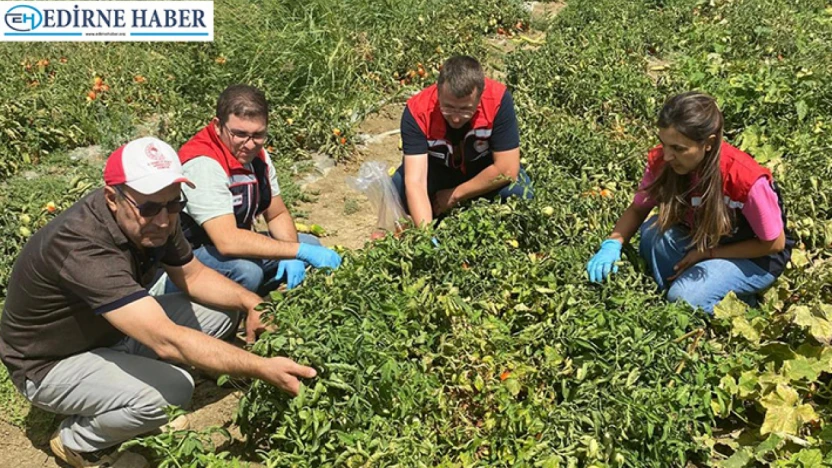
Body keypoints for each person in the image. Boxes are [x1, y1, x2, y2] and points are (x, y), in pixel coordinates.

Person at [0, 137, 317, 468]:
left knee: (223, 311)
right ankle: (77, 441)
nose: (164, 220)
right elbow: (167, 340)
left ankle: (130, 394)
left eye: (173, 204)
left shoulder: (157, 215)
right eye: (150, 207)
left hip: (111, 331)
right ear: (112, 198)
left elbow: (193, 277)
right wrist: (262, 367)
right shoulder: (83, 247)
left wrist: (253, 303)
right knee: (174, 389)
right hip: (51, 364)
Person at [586, 91, 793, 313]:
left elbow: (774, 244)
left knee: (684, 299)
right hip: (707, 240)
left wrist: (707, 254)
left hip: (755, 257)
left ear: (708, 143)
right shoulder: (664, 163)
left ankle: (743, 304)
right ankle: (705, 285)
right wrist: (612, 244)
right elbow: (639, 209)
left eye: (678, 148)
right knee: (651, 234)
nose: (667, 156)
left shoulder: (744, 179)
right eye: (663, 144)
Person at [158, 84, 341, 295]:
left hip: (229, 248)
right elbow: (227, 241)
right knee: (247, 271)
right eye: (240, 134)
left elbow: (277, 214)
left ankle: (261, 299)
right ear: (218, 126)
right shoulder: (204, 164)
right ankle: (229, 315)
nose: (249, 144)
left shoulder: (256, 155)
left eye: (258, 135)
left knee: (309, 244)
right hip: (185, 261)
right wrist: (296, 251)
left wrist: (293, 253)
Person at [391, 55, 533, 227]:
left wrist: (454, 195)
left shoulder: (498, 100)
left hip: (481, 170)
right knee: (397, 188)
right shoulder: (417, 111)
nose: (457, 118)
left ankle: (456, 212)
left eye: (465, 109)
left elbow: (507, 168)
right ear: (438, 92)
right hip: (438, 171)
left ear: (480, 96)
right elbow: (416, 181)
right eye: (449, 107)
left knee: (520, 194)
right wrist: (426, 238)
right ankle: (429, 222)